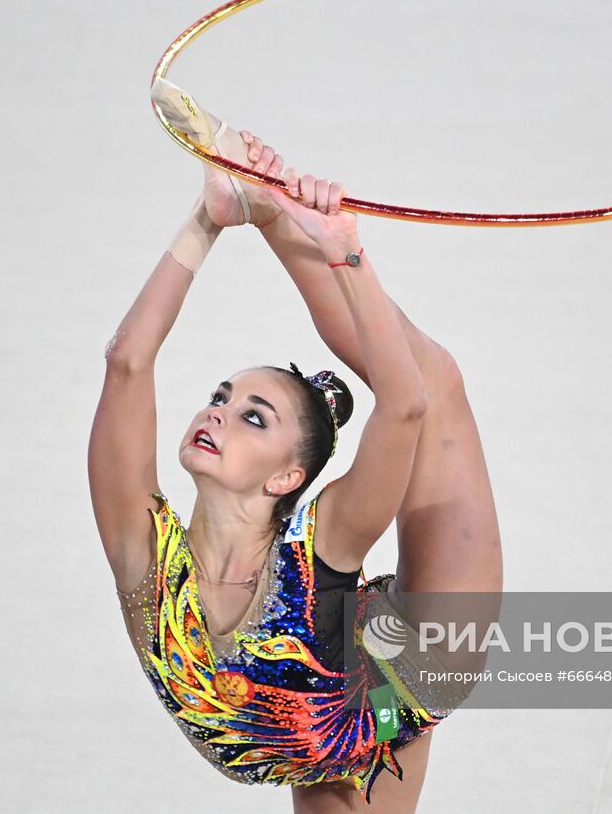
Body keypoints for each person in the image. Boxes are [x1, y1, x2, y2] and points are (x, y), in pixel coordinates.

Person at [88, 89, 503, 812]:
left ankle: (271, 208)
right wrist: (203, 222)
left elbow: (406, 403)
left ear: (288, 474)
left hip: (415, 667)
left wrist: (349, 256)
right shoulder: (144, 555)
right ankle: (249, 198)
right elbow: (126, 361)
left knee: (437, 383)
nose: (216, 413)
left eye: (252, 416)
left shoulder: (323, 543)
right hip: (318, 721)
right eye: (221, 397)